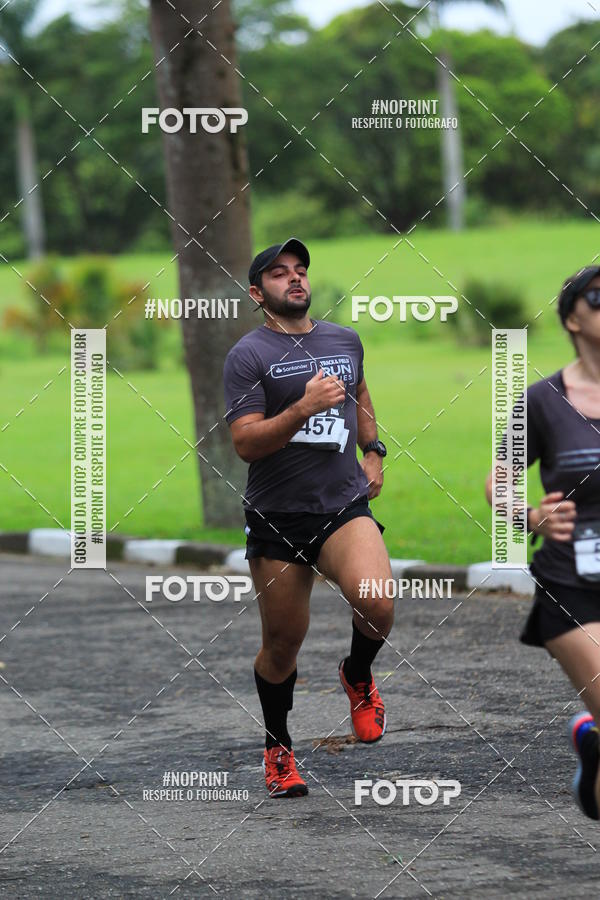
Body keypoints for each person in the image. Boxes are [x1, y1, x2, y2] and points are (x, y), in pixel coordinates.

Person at [223, 238, 393, 798]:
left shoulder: (344, 340)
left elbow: (360, 390)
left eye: (300, 271)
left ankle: (358, 675)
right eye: (279, 274)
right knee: (282, 645)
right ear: (257, 292)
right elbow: (246, 443)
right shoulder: (249, 355)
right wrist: (301, 408)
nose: (294, 279)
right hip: (278, 516)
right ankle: (278, 750)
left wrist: (373, 450)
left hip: (342, 504)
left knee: (377, 600)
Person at [485, 266, 600, 819]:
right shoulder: (543, 400)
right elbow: (498, 480)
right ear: (572, 319)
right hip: (573, 585)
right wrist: (531, 516)